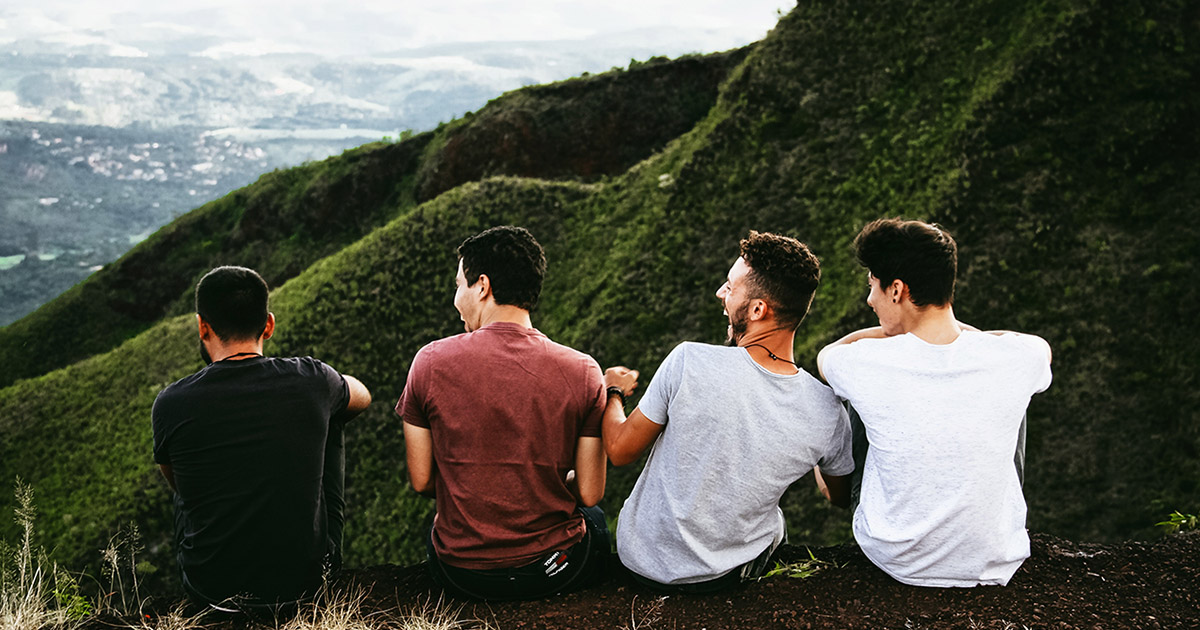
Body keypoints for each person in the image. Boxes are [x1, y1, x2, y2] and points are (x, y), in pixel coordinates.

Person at [603, 231, 854, 593]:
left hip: (640, 563)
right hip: (723, 578)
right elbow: (838, 496)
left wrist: (613, 391)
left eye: (730, 287)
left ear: (757, 310)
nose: (721, 293)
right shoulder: (828, 411)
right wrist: (810, 444)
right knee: (776, 521)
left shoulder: (688, 360)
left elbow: (620, 450)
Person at [817, 218, 1053, 588]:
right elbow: (1037, 347)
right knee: (1012, 392)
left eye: (872, 287)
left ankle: (840, 496)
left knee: (854, 397)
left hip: (895, 556)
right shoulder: (1016, 357)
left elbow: (828, 356)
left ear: (896, 290)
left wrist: (891, 333)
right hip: (993, 559)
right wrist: (962, 335)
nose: (869, 300)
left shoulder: (865, 361)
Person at [397, 225, 612, 601]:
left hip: (462, 574)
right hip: (552, 571)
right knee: (594, 520)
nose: (456, 298)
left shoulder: (429, 362)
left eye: (458, 285)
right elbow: (591, 492)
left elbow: (422, 481)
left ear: (482, 286)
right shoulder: (584, 371)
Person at [152, 266, 371, 609]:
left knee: (188, 473)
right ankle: (326, 562)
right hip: (303, 584)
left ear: (202, 326)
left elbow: (179, 485)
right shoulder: (312, 379)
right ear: (268, 324)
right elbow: (363, 396)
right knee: (334, 414)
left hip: (210, 587)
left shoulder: (170, 403)